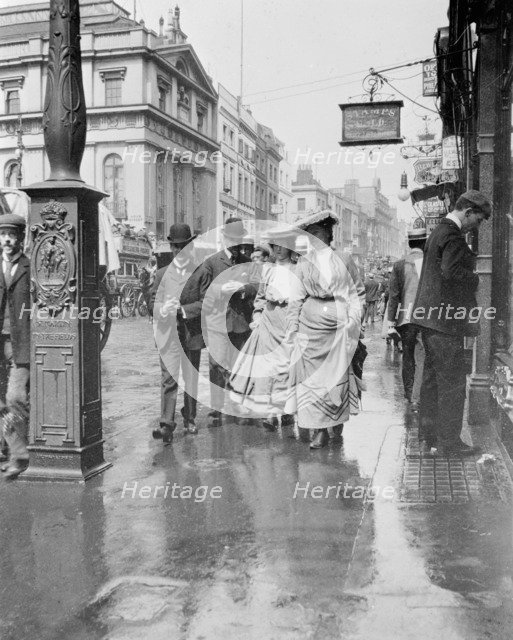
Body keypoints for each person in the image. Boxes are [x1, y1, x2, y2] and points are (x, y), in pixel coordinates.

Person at [413, 190, 492, 456]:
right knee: (453, 384)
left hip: (429, 320)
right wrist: (475, 280)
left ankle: (428, 438)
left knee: (432, 382)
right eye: (478, 220)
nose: (478, 226)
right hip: (445, 323)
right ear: (468, 211)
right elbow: (451, 273)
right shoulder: (453, 237)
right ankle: (449, 443)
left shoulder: (438, 232)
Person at [284, 211, 362, 449]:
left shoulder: (345, 259)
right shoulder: (303, 263)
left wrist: (353, 319)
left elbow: (356, 292)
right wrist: (292, 329)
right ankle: (319, 430)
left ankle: (336, 423)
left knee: (336, 379)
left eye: (318, 233)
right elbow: (295, 299)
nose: (314, 239)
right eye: (310, 235)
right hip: (311, 329)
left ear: (328, 234)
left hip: (338, 329)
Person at [229, 228, 297, 431]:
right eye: (275, 246)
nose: (279, 250)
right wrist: (257, 315)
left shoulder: (298, 269)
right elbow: (259, 298)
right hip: (268, 320)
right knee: (266, 367)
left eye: (282, 246)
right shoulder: (268, 270)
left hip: (287, 321)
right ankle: (269, 413)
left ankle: (284, 411)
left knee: (285, 367)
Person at [192, 217, 257, 427]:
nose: (235, 243)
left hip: (241, 323)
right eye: (231, 238)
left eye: (238, 239)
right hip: (218, 324)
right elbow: (202, 294)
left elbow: (256, 287)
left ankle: (237, 407)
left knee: (239, 367)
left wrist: (242, 290)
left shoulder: (247, 261)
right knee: (217, 367)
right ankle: (215, 410)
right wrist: (220, 289)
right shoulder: (211, 262)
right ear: (223, 237)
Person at [149, 223, 203, 442]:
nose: (178, 251)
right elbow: (151, 301)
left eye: (182, 247)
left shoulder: (200, 272)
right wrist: (161, 308)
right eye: (174, 247)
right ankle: (166, 426)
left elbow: (206, 302)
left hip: (192, 334)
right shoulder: (162, 274)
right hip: (168, 335)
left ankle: (190, 418)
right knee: (169, 379)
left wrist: (183, 310)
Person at [0, 214, 30, 479]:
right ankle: (13, 450)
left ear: (20, 238)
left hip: (21, 344)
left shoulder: (29, 267)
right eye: (3, 235)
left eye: (12, 235)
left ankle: (19, 454)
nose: (7, 239)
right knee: (1, 403)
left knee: (15, 398)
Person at [388, 227, 427, 410]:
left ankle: (408, 392)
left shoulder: (399, 264)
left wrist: (390, 323)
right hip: (426, 318)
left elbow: (393, 295)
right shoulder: (430, 263)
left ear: (410, 243)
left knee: (408, 357)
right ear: (424, 242)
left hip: (405, 319)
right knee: (422, 357)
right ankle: (417, 398)